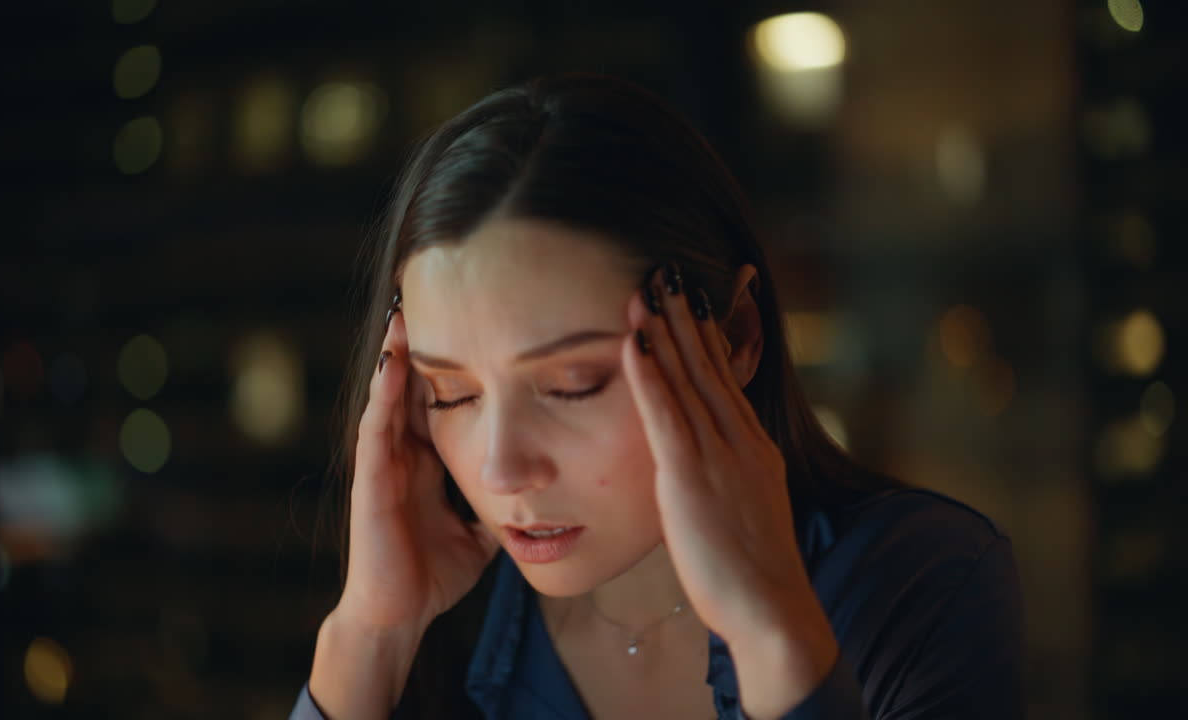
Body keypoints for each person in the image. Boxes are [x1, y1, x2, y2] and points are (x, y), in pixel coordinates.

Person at [289, 72, 1024, 720]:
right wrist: (368, 637)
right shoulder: (443, 624)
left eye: (572, 385)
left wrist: (775, 635)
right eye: (450, 394)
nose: (500, 470)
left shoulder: (917, 582)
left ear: (735, 335)